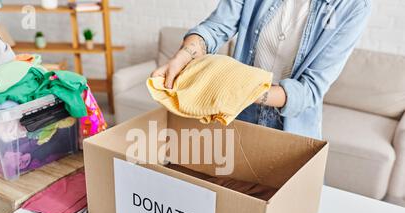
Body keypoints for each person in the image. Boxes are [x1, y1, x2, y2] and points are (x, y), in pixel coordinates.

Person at [151, 0, 372, 139]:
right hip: (236, 114)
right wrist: (186, 53)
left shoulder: (353, 6)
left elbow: (310, 90)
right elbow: (217, 27)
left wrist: (240, 87)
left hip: (291, 130)